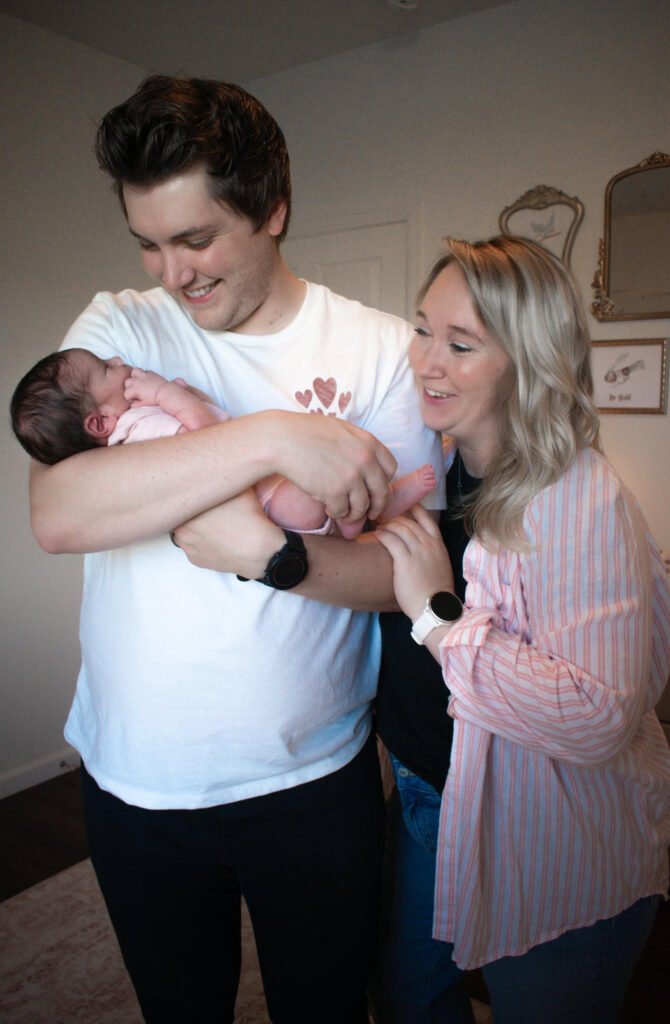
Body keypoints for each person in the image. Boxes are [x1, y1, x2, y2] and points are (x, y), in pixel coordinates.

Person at [25, 75, 445, 1024]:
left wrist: (271, 556)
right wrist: (272, 439)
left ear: (272, 212)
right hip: (134, 782)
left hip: (311, 779)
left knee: (327, 1008)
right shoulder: (120, 328)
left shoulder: (380, 350)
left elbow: (403, 573)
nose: (172, 272)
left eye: (196, 238)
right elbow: (59, 512)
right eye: (148, 241)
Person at [369, 235, 670, 1024]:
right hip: (429, 792)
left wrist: (438, 618)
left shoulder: (576, 495)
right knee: (406, 995)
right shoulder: (441, 463)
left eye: (460, 343)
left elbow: (599, 715)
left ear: (527, 361)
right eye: (422, 328)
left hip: (550, 836)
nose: (425, 360)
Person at [12, 348, 436, 538]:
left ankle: (381, 506)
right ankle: (388, 501)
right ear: (101, 421)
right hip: (271, 496)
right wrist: (167, 396)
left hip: (272, 492)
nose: (119, 361)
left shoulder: (133, 432)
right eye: (106, 367)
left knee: (350, 509)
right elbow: (208, 441)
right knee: (343, 500)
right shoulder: (138, 430)